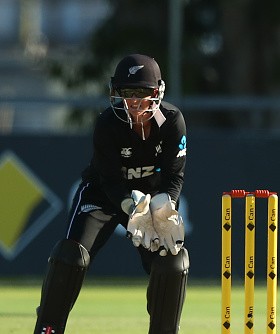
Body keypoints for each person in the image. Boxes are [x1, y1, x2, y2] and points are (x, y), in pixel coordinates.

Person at [33, 54, 189, 334]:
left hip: (151, 201)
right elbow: (109, 179)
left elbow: (174, 176)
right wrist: (131, 207)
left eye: (143, 93)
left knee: (172, 261)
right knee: (72, 255)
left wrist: (167, 204)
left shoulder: (173, 122)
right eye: (128, 93)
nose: (135, 102)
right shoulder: (108, 124)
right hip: (104, 195)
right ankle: (48, 327)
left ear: (158, 92)